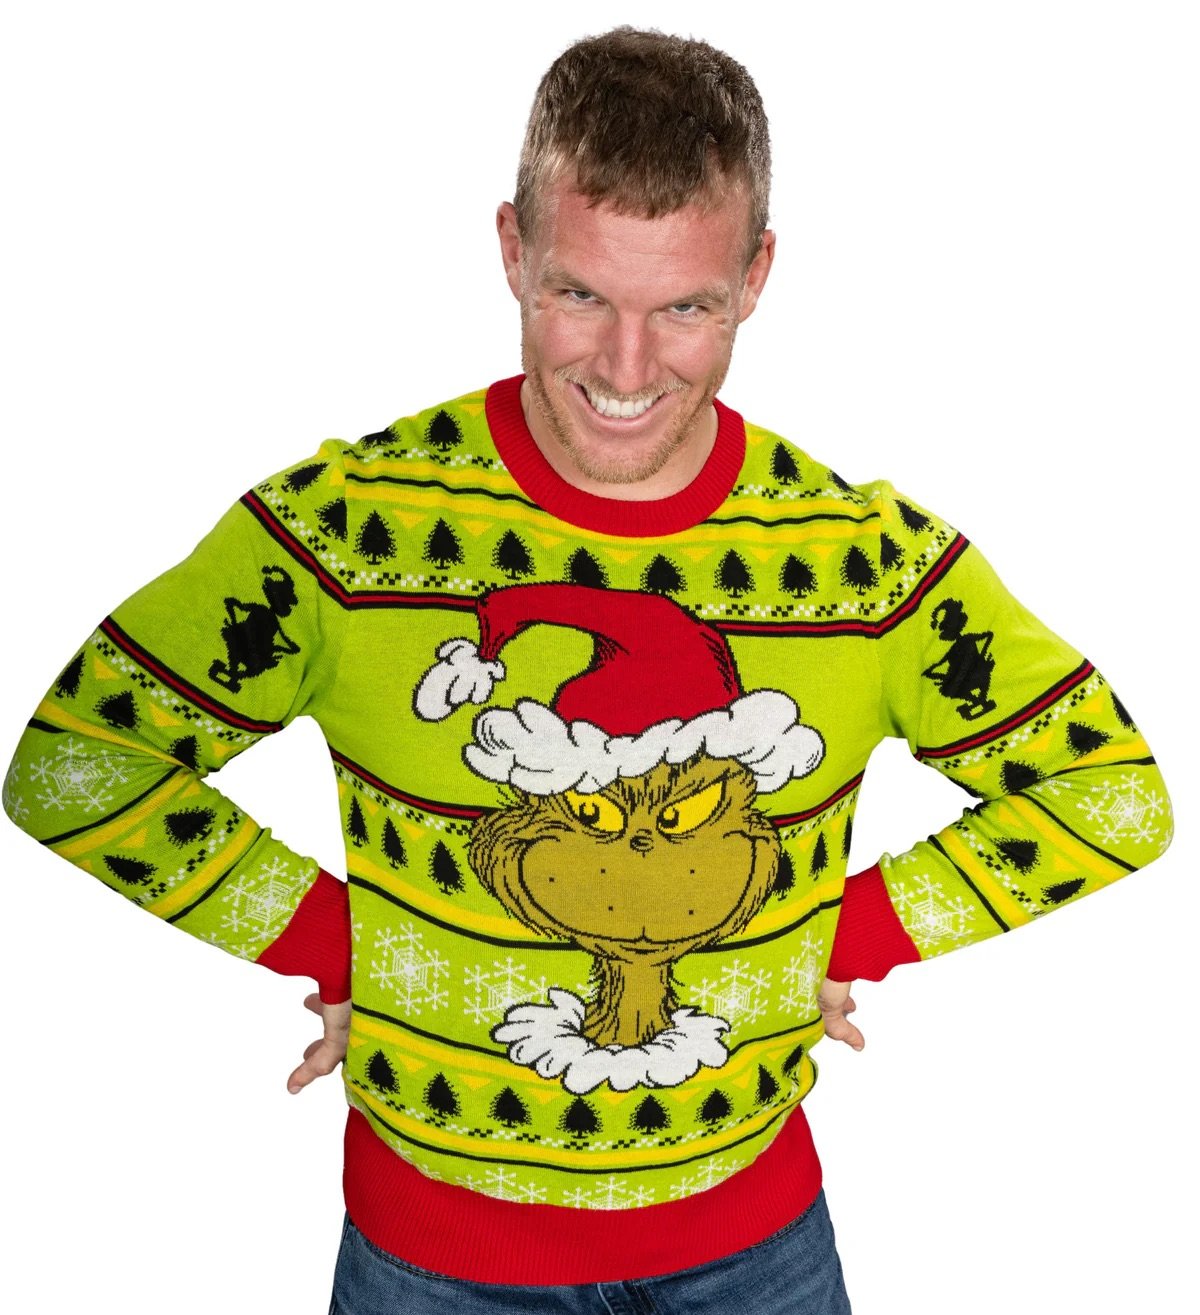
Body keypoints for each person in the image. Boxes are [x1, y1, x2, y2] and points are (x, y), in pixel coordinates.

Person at [2, 26, 1175, 1315]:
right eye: (579, 295)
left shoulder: (865, 563)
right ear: (513, 249)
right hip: (434, 1266)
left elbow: (1110, 796)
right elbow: (76, 764)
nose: (626, 369)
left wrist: (844, 931)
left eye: (686, 307)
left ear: (756, 275)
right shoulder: (347, 531)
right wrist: (337, 942)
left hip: (760, 1251)